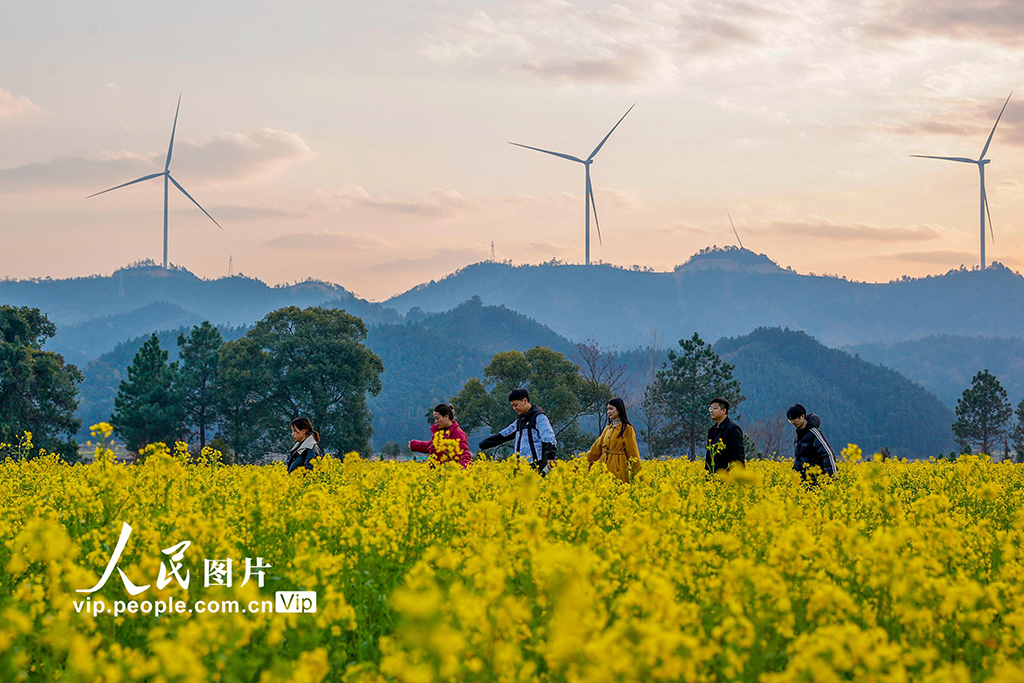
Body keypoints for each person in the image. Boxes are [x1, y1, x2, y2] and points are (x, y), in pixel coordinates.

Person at [479, 389, 558, 474]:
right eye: (512, 406)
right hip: (520, 465)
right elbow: (505, 434)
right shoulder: (520, 420)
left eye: (516, 405)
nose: (514, 408)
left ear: (525, 401)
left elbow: (548, 437)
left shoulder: (539, 417)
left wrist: (551, 456)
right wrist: (485, 443)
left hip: (536, 465)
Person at [586, 397, 642, 483]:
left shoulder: (627, 429)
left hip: (619, 472)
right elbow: (595, 450)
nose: (608, 412)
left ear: (619, 409)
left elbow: (633, 454)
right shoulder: (608, 428)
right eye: (607, 409)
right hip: (604, 471)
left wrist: (639, 478)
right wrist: (579, 466)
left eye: (611, 409)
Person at [408, 403, 472, 468]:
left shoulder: (458, 434)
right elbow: (431, 446)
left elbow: (465, 456)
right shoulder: (440, 432)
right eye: (435, 419)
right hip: (437, 472)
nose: (435, 421)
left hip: (449, 473)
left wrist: (462, 472)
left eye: (437, 418)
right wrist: (414, 444)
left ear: (446, 417)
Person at [787, 404, 837, 482]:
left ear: (802, 416)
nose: (793, 422)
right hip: (804, 482)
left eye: (794, 419)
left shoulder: (814, 433)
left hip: (817, 480)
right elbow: (799, 458)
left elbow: (828, 454)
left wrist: (834, 477)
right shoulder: (799, 435)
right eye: (790, 420)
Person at [705, 397, 744, 474]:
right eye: (710, 408)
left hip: (727, 477)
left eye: (715, 408)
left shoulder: (732, 429)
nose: (711, 411)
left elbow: (738, 455)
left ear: (724, 411)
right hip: (713, 477)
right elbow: (709, 457)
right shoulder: (712, 430)